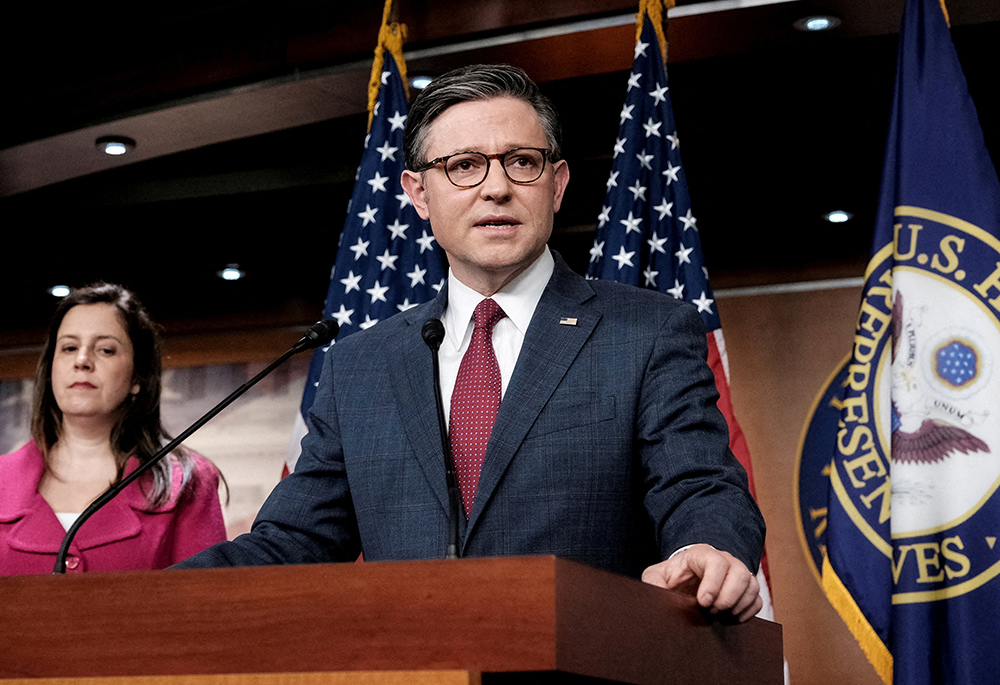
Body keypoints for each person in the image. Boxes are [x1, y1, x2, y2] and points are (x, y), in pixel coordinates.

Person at [176, 64, 765, 622]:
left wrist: (707, 548)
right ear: (419, 193)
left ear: (557, 185)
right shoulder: (362, 363)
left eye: (522, 162)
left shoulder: (648, 331)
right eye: (463, 165)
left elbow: (698, 484)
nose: (497, 189)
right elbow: (295, 540)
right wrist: (143, 591)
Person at [0, 282, 226, 574]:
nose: (82, 361)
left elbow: (206, 607)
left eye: (106, 350)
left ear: (138, 378)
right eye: (69, 348)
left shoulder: (188, 482)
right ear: (50, 370)